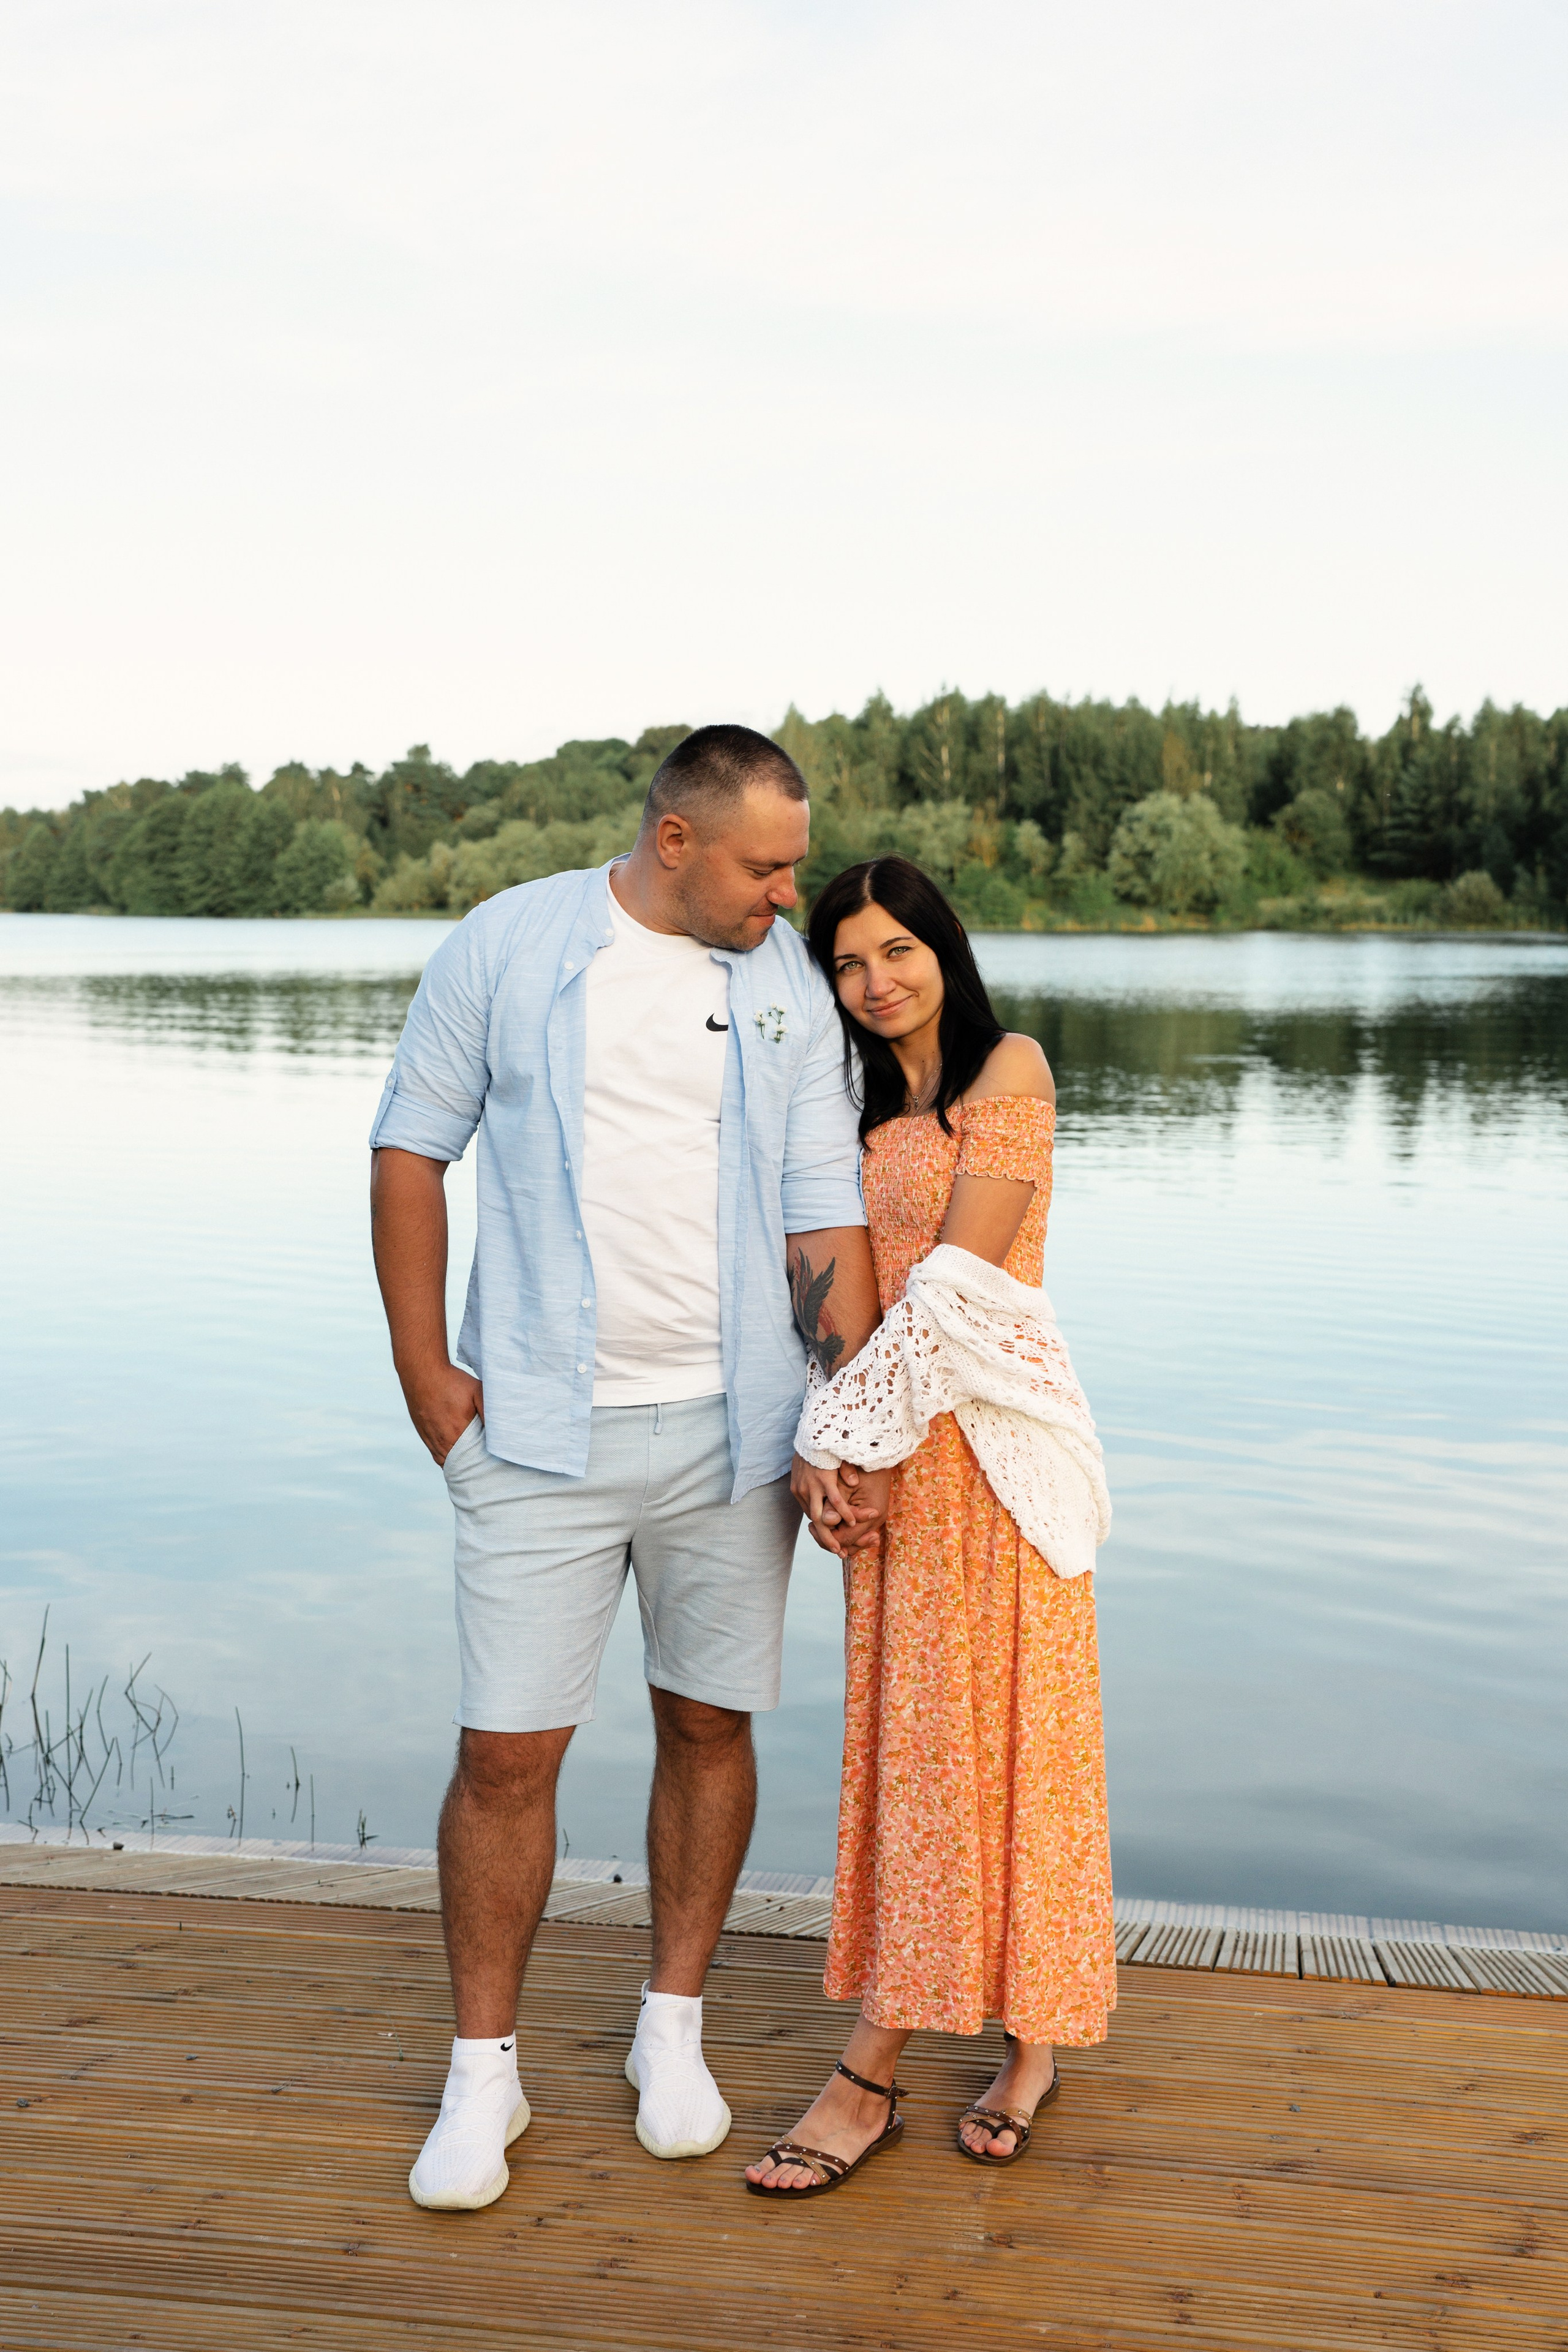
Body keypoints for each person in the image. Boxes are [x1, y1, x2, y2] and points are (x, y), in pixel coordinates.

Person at [369, 725, 889, 2211]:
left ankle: (673, 2029)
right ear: (676, 840)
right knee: (505, 1754)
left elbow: (817, 1210)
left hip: (732, 1434)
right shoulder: (511, 944)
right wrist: (430, 1382)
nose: (790, 896)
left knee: (707, 1730)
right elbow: (411, 1151)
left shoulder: (781, 984)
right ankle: (484, 2076)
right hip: (533, 1430)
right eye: (765, 866)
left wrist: (836, 1421)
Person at [747, 854, 1115, 2199]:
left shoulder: (1005, 1073)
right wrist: (826, 1432)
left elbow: (956, 1288)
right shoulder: (845, 1111)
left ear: (940, 951)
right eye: (845, 962)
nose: (873, 981)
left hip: (997, 1465)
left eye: (895, 951)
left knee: (1014, 1745)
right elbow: (826, 1287)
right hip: (894, 1465)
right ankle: (936, 2024)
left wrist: (840, 1439)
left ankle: (943, 2057)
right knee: (915, 1757)